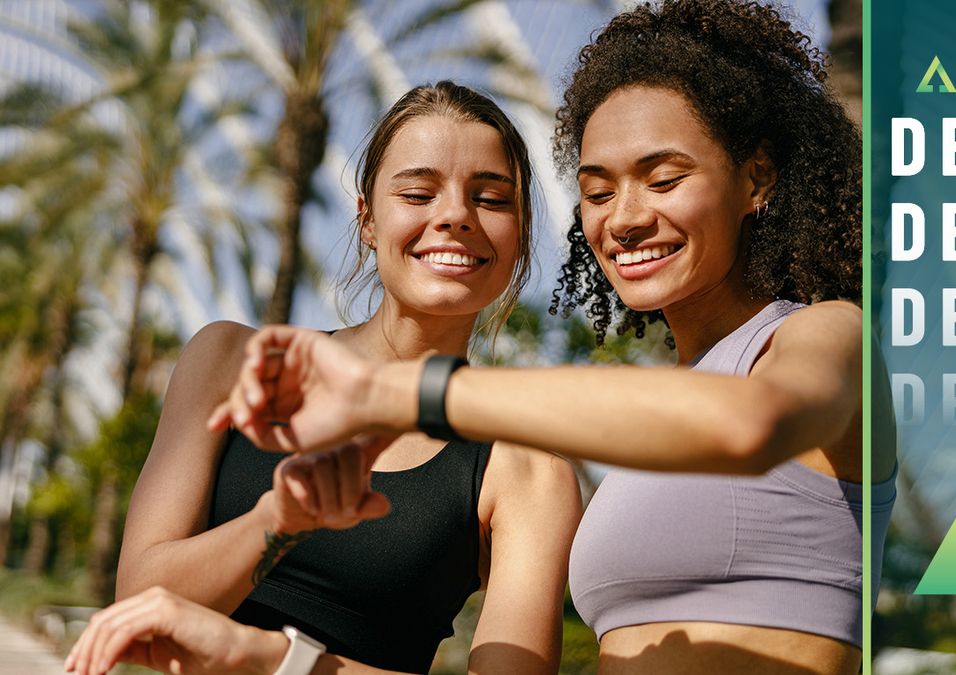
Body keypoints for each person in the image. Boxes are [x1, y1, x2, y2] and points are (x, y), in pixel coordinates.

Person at [70, 1, 896, 673]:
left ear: (757, 179)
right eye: (599, 189)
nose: (627, 215)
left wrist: (399, 393)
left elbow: (747, 424)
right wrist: (279, 522)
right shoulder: (642, 434)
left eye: (665, 176)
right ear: (365, 219)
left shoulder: (827, 335)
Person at [65, 81, 581, 675]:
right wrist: (277, 521)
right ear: (367, 218)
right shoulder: (231, 362)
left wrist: (278, 660)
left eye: (491, 199)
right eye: (417, 192)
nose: (456, 216)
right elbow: (140, 602)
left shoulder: (526, 472)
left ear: (518, 237)